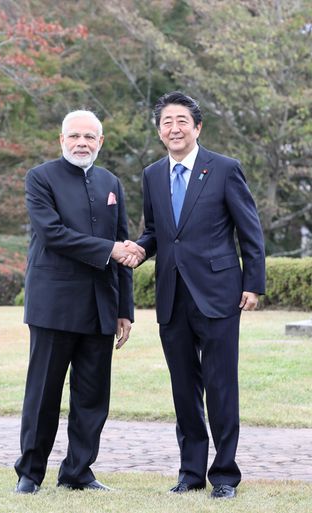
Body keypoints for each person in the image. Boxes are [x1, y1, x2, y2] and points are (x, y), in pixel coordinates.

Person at [132, 91, 265, 499]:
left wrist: (253, 283)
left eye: (182, 121)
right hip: (172, 296)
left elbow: (250, 230)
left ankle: (224, 475)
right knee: (183, 388)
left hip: (219, 295)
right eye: (167, 122)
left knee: (221, 385)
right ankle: (190, 473)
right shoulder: (152, 175)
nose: (174, 128)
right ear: (160, 131)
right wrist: (139, 248)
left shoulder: (224, 169)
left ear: (197, 127)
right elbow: (156, 231)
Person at [14, 109, 144, 494]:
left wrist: (124, 309)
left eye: (90, 137)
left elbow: (122, 243)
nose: (82, 143)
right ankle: (30, 473)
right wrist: (112, 250)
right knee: (43, 395)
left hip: (101, 307)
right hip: (53, 306)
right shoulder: (40, 178)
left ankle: (78, 472)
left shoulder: (111, 182)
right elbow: (53, 234)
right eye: (75, 136)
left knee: (92, 397)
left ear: (100, 142)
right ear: (61, 139)